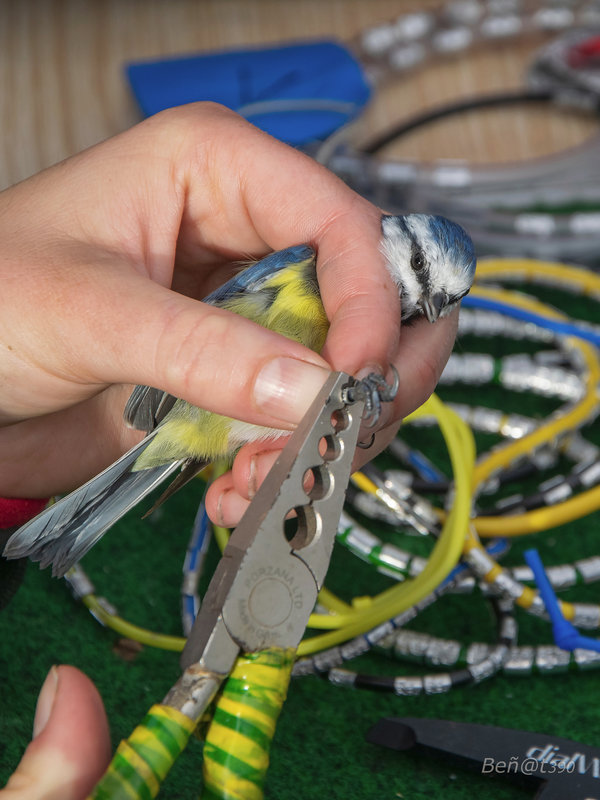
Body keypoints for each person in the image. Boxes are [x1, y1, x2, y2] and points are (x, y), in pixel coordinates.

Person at [0, 102, 459, 798]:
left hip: (220, 433)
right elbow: (217, 310)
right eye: (417, 273)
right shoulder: (306, 267)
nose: (415, 302)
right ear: (398, 240)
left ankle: (62, 525)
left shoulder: (377, 327)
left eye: (430, 302)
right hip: (189, 411)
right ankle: (66, 528)